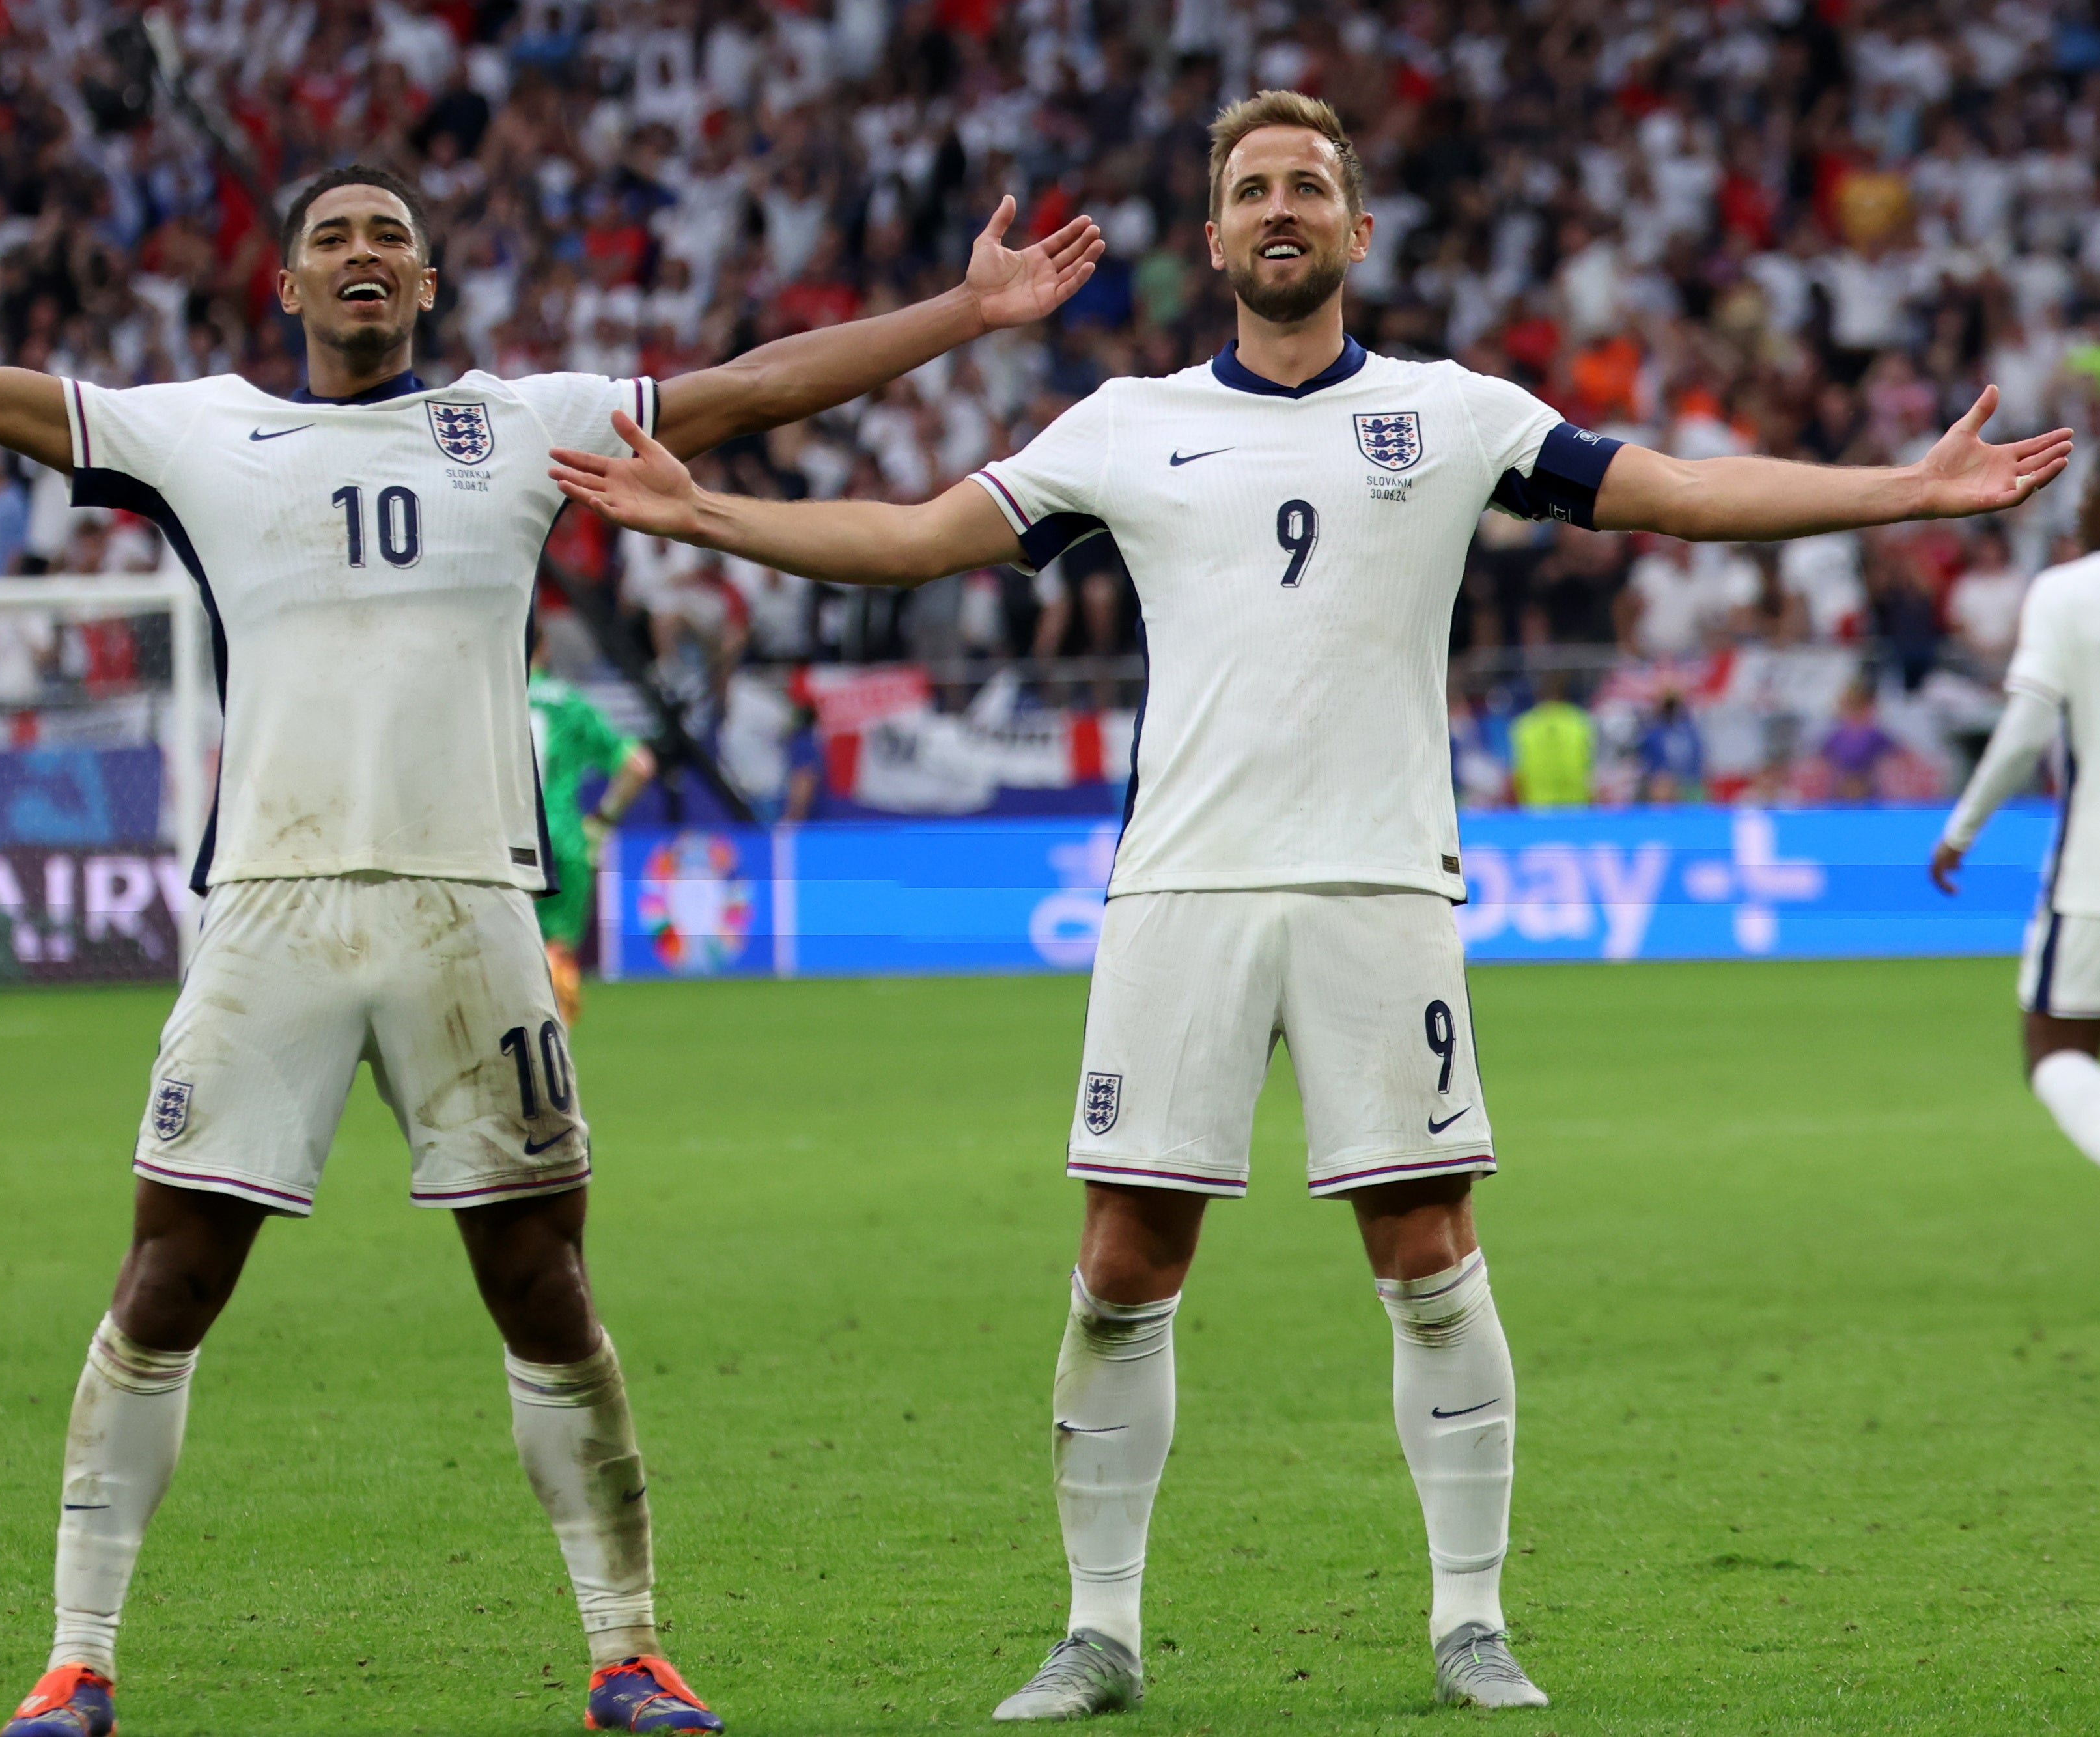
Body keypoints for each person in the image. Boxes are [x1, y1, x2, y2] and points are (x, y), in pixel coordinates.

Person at [546, 89, 2073, 1722]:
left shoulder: (1453, 412)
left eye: (1307, 189)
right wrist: (708, 514)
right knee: (1124, 1256)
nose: (1279, 210)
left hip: (1376, 887)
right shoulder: (1119, 426)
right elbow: (918, 538)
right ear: (1211, 240)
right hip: (1179, 895)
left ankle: (1468, 1619)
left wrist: (1896, 493)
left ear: (1353, 232)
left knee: (1424, 1246)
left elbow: (1676, 488)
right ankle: (1099, 1629)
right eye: (1251, 190)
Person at [0, 162, 1102, 1737]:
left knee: (540, 1281)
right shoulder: (197, 430)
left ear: (427, 283)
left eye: (390, 236)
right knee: (169, 1274)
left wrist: (963, 309)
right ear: (289, 287)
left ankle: (627, 1649)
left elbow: (743, 391)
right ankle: (75, 1659)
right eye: (331, 238)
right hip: (273, 911)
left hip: (470, 908)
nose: (362, 256)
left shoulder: (527, 423)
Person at [1934, 473, 2100, 1168]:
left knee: (2057, 1048)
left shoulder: (2067, 592)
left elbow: (2026, 734)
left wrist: (1961, 830)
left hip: (2092, 883)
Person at [529, 629, 655, 1023]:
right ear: (544, 647)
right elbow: (639, 766)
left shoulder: (489, 702)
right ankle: (551, 1061)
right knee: (557, 957)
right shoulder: (569, 704)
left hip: (503, 845)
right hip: (563, 839)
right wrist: (600, 823)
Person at [1507, 674, 1596, 808]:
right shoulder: (1581, 722)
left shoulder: (1524, 725)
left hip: (1536, 807)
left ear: (1539, 695)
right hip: (1577, 806)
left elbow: (1516, 775)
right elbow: (1592, 768)